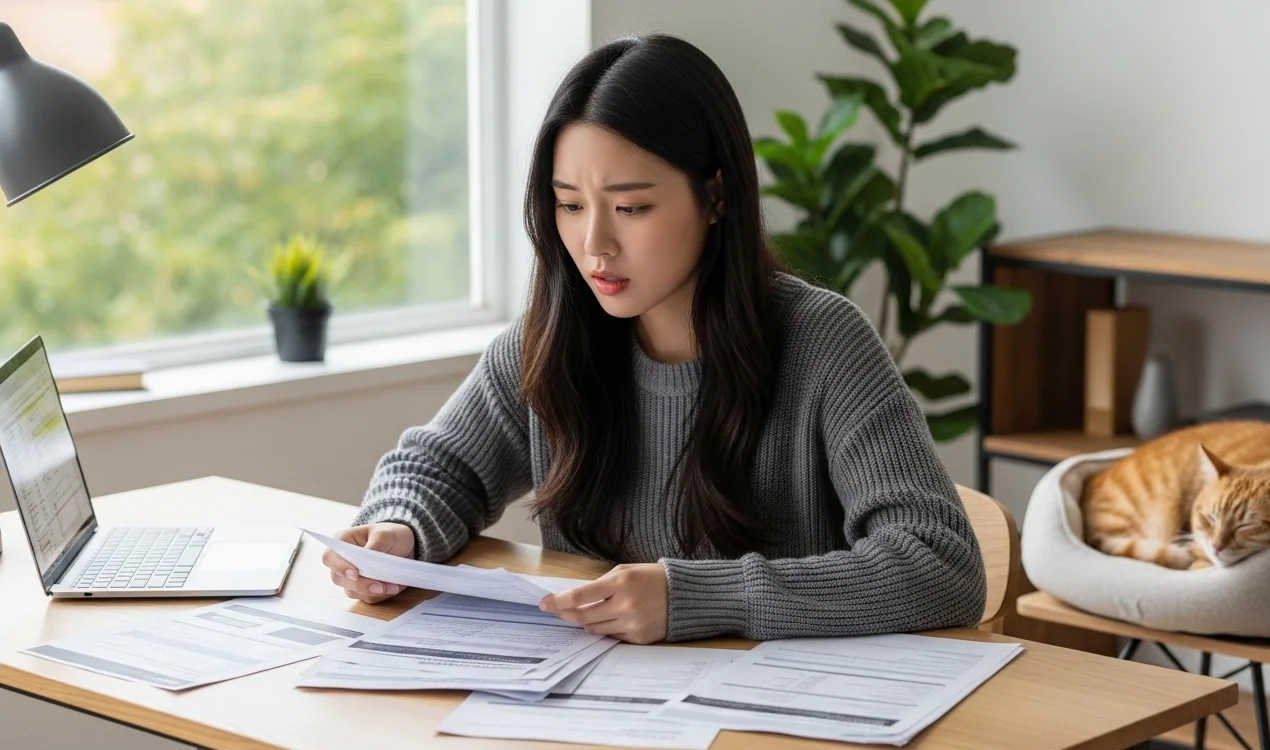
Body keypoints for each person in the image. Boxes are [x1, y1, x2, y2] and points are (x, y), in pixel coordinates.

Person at [321, 33, 986, 645]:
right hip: (590, 704)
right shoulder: (555, 336)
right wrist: (399, 526)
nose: (594, 244)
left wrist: (696, 597)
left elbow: (941, 563)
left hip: (771, 712)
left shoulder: (824, 343)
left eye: (631, 207)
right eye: (569, 204)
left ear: (716, 196)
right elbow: (441, 466)